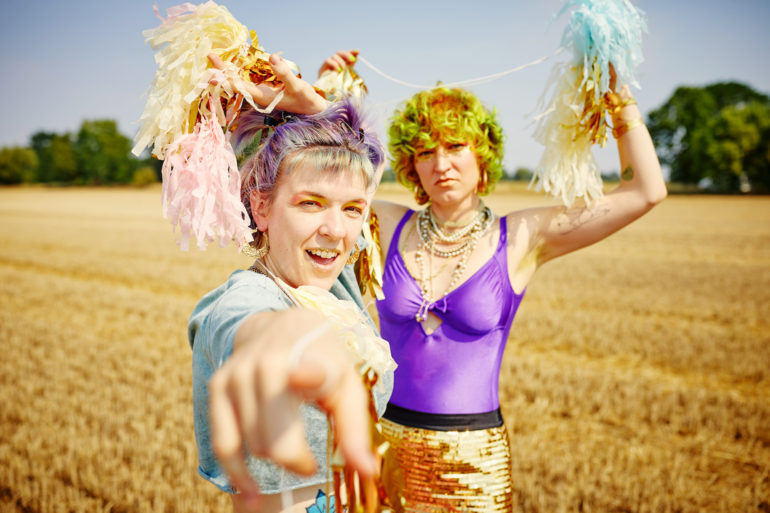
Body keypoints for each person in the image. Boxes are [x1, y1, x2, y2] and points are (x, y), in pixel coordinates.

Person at [320, 50, 667, 511]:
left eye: (455, 146)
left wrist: (620, 101)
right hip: (385, 450)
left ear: (482, 156)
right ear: (412, 166)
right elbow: (320, 184)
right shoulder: (383, 222)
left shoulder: (522, 237)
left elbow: (645, 191)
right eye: (426, 151)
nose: (441, 163)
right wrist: (327, 98)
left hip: (474, 464)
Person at [187, 56, 395, 513]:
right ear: (261, 208)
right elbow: (247, 326)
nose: (336, 230)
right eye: (311, 203)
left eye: (352, 209)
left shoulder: (333, 283)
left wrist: (313, 105)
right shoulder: (248, 298)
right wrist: (283, 338)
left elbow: (368, 164)